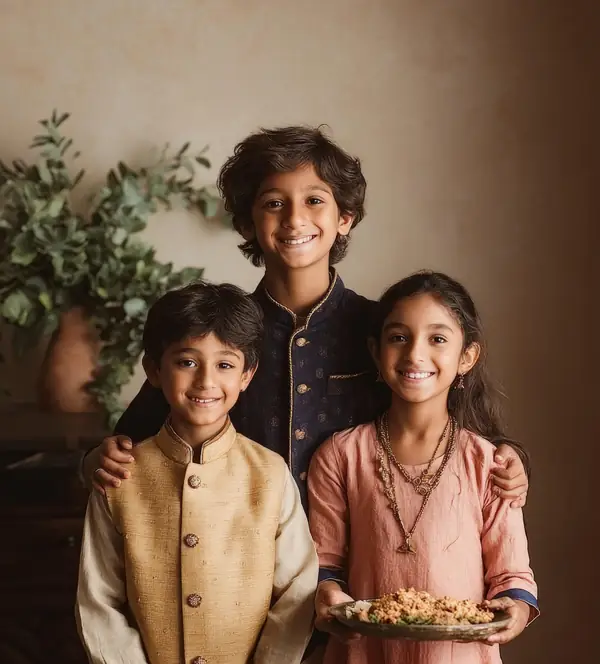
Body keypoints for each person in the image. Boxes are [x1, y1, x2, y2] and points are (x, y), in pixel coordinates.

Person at [83, 126, 529, 510]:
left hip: (360, 561)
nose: (295, 219)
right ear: (247, 223)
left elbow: (460, 425)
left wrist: (510, 459)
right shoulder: (220, 332)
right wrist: (97, 460)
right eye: (273, 203)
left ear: (345, 218)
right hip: (238, 555)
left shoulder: (384, 331)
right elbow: (131, 436)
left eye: (314, 200)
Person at [76, 282, 318, 664]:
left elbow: (298, 598)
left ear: (247, 375)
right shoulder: (119, 478)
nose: (206, 381)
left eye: (226, 365)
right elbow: (99, 602)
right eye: (187, 361)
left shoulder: (270, 475)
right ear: (154, 369)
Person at [309, 271, 538, 664]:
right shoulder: (340, 456)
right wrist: (329, 596)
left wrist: (514, 610)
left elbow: (512, 574)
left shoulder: (489, 464)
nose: (415, 353)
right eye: (398, 336)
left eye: (438, 338)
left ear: (467, 356)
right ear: (376, 351)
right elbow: (323, 561)